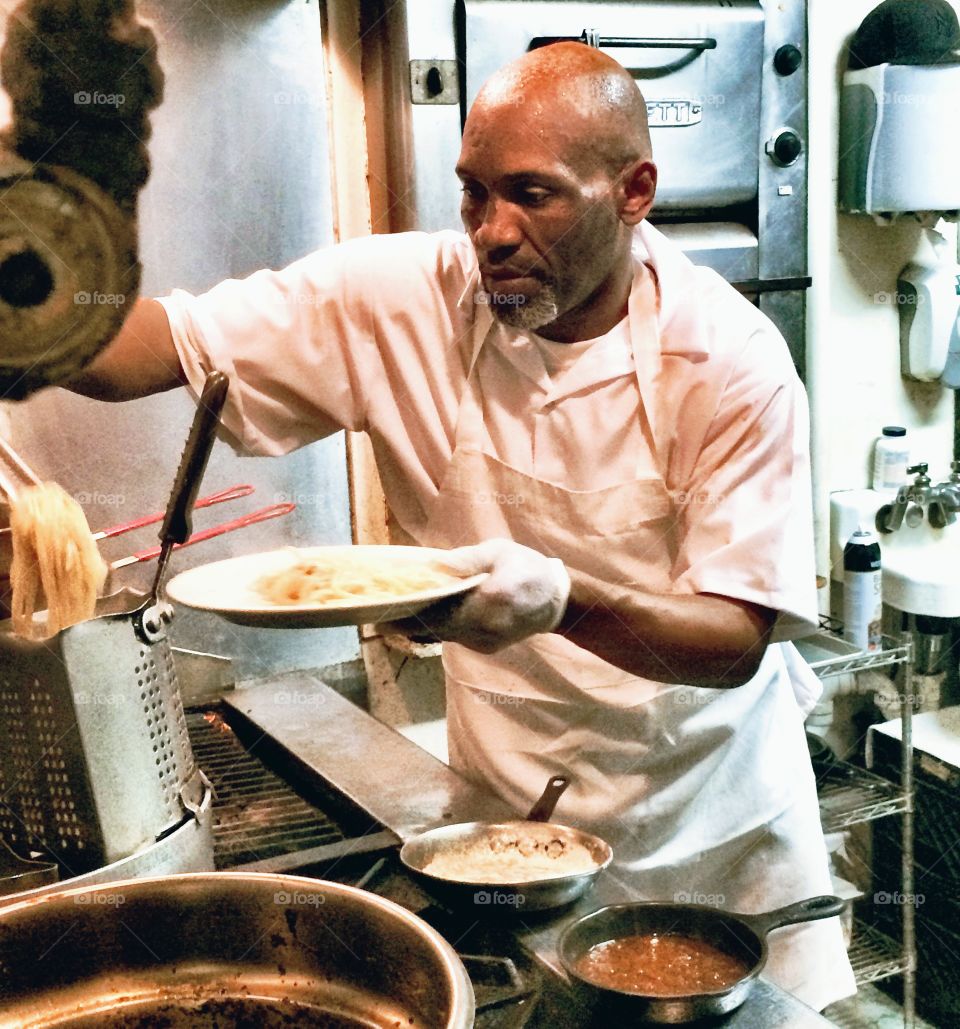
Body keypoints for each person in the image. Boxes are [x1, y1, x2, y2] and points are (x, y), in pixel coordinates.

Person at [68, 42, 855, 1009]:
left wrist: (561, 601)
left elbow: (734, 640)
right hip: (518, 841)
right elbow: (154, 344)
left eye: (533, 195)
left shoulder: (729, 360)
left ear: (634, 192)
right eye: (474, 192)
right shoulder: (400, 301)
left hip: (712, 850)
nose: (493, 232)